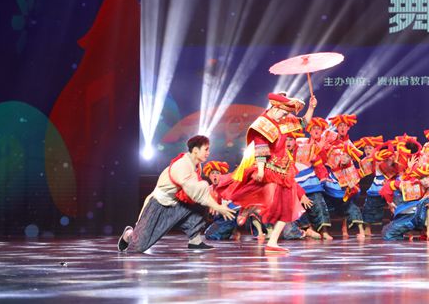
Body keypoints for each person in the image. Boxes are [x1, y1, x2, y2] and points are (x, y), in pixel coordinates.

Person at [214, 92, 315, 254]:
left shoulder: (283, 120)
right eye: (283, 113)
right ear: (275, 108)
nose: (285, 117)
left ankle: (272, 243)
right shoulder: (263, 124)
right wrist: (261, 169)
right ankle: (249, 207)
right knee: (264, 198)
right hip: (268, 168)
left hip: (284, 170)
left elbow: (303, 123)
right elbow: (261, 148)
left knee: (287, 207)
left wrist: (311, 107)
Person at [117, 135, 236, 253]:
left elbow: (198, 193)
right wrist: (218, 207)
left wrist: (215, 204)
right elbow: (195, 191)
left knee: (201, 204)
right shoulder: (181, 165)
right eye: (206, 149)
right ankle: (128, 234)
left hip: (176, 204)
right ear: (195, 150)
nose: (208, 152)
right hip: (159, 204)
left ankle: (195, 241)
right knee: (139, 246)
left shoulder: (196, 165)